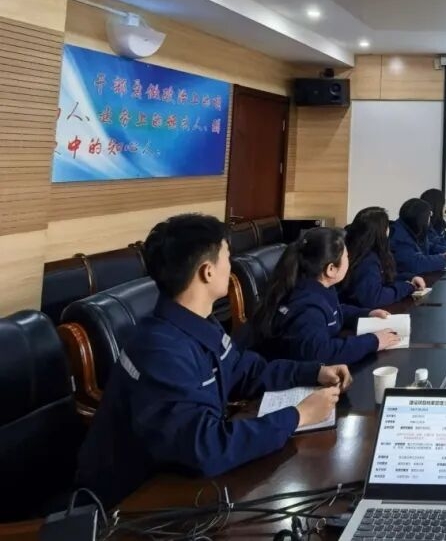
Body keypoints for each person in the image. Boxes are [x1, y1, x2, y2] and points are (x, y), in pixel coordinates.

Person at [76, 214, 353, 509]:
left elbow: (245, 371)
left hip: (185, 483)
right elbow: (205, 447)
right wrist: (298, 416)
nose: (230, 266)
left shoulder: (198, 322)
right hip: (133, 506)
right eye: (227, 257)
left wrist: (314, 372)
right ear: (207, 272)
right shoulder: (159, 351)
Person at [247, 227, 400, 366]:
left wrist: (367, 313)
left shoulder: (317, 286)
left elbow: (333, 312)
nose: (349, 260)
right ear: (331, 269)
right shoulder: (306, 308)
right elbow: (323, 353)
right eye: (346, 257)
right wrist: (374, 341)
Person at [341, 206, 425, 309]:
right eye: (387, 226)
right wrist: (407, 287)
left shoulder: (360, 249)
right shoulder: (367, 260)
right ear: (380, 232)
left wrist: (409, 278)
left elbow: (383, 278)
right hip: (359, 314)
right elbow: (375, 298)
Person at [389, 198, 446, 279]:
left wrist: (445, 251)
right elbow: (416, 263)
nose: (429, 220)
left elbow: (427, 246)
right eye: (429, 216)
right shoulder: (398, 236)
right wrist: (445, 260)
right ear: (421, 219)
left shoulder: (412, 229)